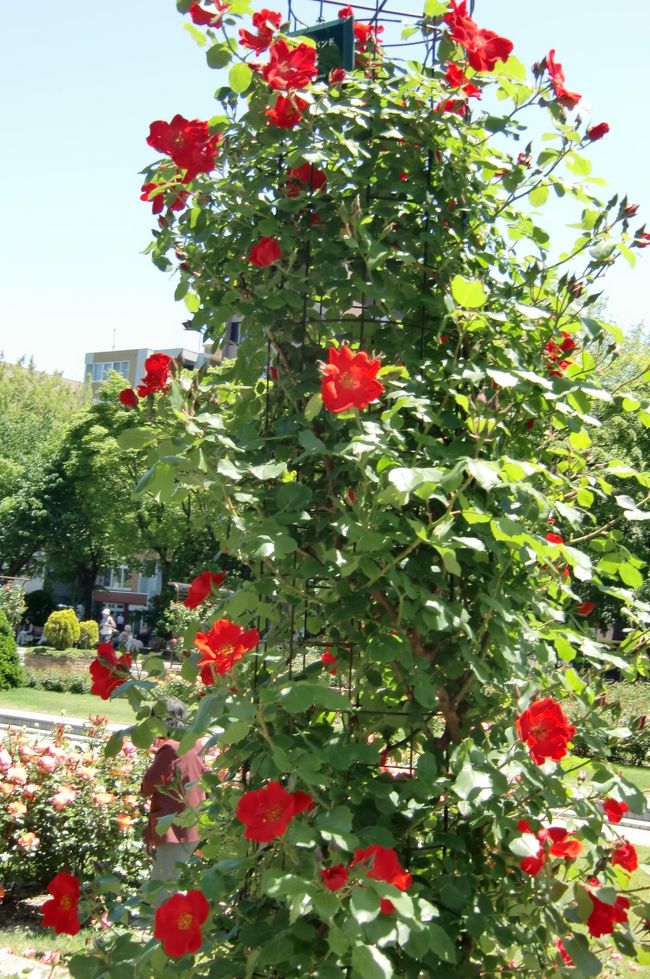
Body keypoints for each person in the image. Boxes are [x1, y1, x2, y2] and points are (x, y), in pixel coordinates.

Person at [141, 698, 206, 895]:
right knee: (176, 884)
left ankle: (161, 924)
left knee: (164, 889)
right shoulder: (195, 743)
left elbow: (149, 785)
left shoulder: (170, 748)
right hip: (194, 825)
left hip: (174, 829)